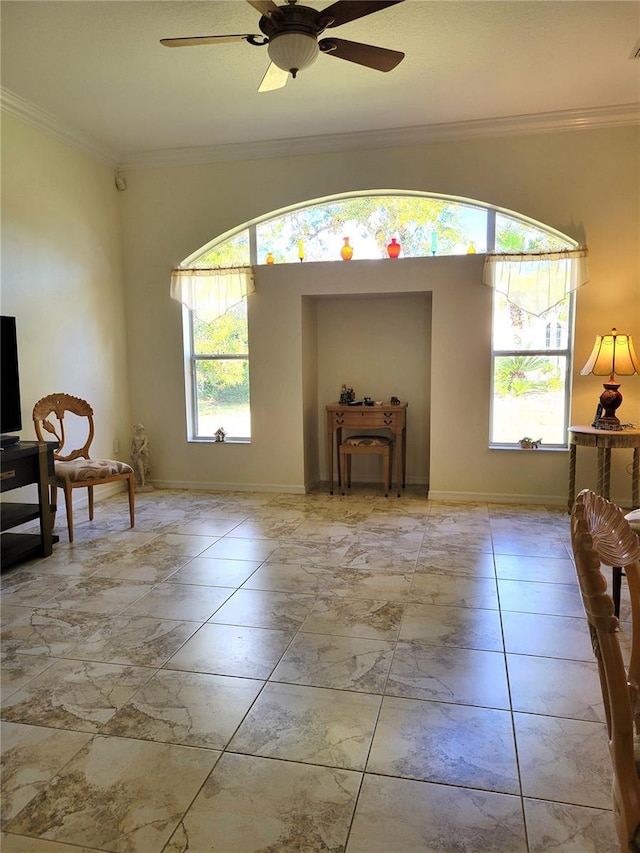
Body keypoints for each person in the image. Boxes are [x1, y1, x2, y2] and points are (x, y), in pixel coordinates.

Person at [130, 424, 152, 490]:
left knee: (144, 467)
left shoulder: (145, 436)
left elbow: (145, 444)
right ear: (137, 430)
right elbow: (132, 446)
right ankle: (141, 482)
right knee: (139, 468)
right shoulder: (134, 437)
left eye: (142, 429)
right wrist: (131, 452)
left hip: (143, 453)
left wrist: (140, 450)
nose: (141, 430)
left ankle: (143, 482)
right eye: (140, 429)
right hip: (136, 454)